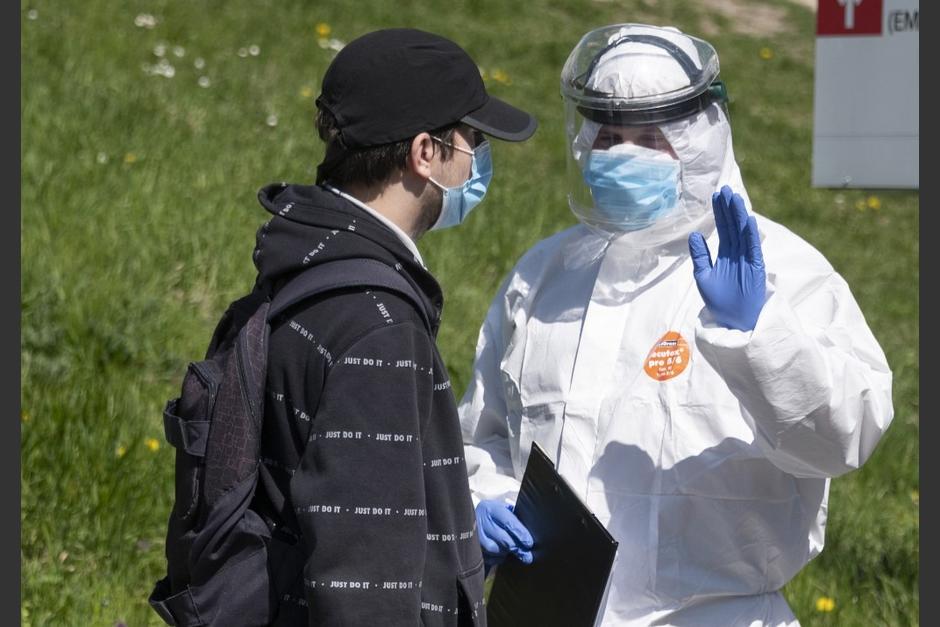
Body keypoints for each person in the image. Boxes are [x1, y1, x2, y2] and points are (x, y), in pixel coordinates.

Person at [459, 23, 893, 625]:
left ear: (699, 141)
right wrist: (485, 502)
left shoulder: (782, 271)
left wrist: (759, 337)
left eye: (648, 138)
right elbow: (485, 430)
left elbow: (847, 436)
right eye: (608, 135)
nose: (621, 155)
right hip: (541, 609)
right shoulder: (543, 276)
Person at [250, 28, 536, 625]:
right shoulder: (379, 325)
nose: (479, 162)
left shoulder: (305, 252)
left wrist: (450, 532)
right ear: (425, 152)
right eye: (473, 141)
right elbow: (364, 582)